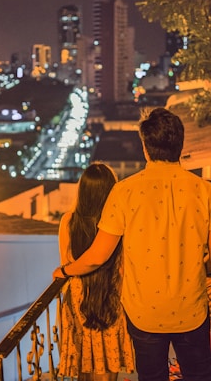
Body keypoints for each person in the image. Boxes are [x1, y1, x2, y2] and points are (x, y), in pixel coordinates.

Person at [53, 107, 211, 381]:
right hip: (191, 309)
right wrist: (200, 269)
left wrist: (64, 271)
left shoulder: (124, 192)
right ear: (180, 145)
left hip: (144, 313)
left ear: (146, 148)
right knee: (199, 376)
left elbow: (98, 256)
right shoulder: (203, 190)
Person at [56, 161, 135, 381]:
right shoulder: (121, 221)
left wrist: (63, 272)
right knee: (107, 370)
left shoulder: (68, 222)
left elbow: (67, 262)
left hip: (79, 302)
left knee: (82, 368)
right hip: (112, 297)